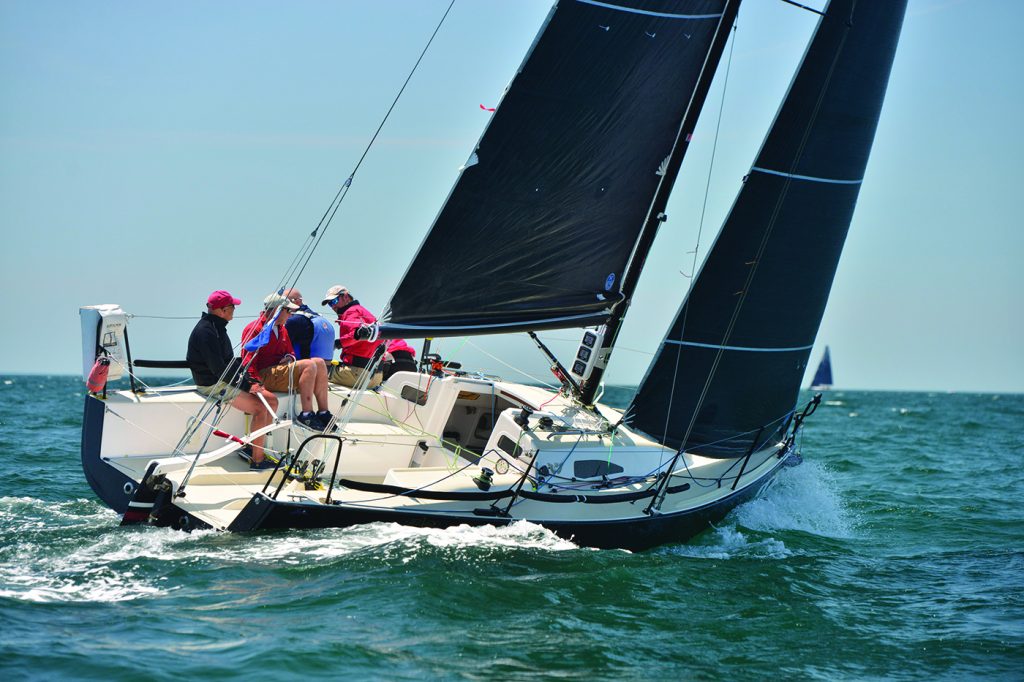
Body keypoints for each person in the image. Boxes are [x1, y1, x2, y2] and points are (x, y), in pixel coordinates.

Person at [186, 290, 279, 470]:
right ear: (223, 310)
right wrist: (246, 385)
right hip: (212, 384)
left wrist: (250, 379)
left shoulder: (216, 327)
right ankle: (257, 460)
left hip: (222, 379)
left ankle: (253, 448)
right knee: (260, 408)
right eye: (232, 307)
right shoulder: (207, 331)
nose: (234, 310)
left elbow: (230, 363)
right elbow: (220, 370)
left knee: (272, 401)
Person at [241, 293, 334, 430]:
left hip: (279, 374)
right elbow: (247, 360)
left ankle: (323, 412)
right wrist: (254, 384)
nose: (291, 315)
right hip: (263, 375)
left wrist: (290, 358)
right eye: (288, 310)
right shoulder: (255, 328)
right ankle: (306, 414)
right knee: (309, 364)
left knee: (319, 362)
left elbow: (290, 352)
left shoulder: (282, 329)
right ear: (277, 310)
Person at [321, 284, 383, 388]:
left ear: (345, 296)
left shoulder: (351, 312)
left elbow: (357, 333)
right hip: (376, 377)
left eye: (334, 301)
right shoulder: (362, 311)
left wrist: (336, 344)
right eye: (330, 304)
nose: (333, 306)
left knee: (315, 370)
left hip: (356, 375)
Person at [282, 288, 335, 361]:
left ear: (297, 302)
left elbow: (281, 348)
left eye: (284, 303)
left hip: (306, 369)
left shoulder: (294, 321)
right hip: (326, 369)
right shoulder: (323, 319)